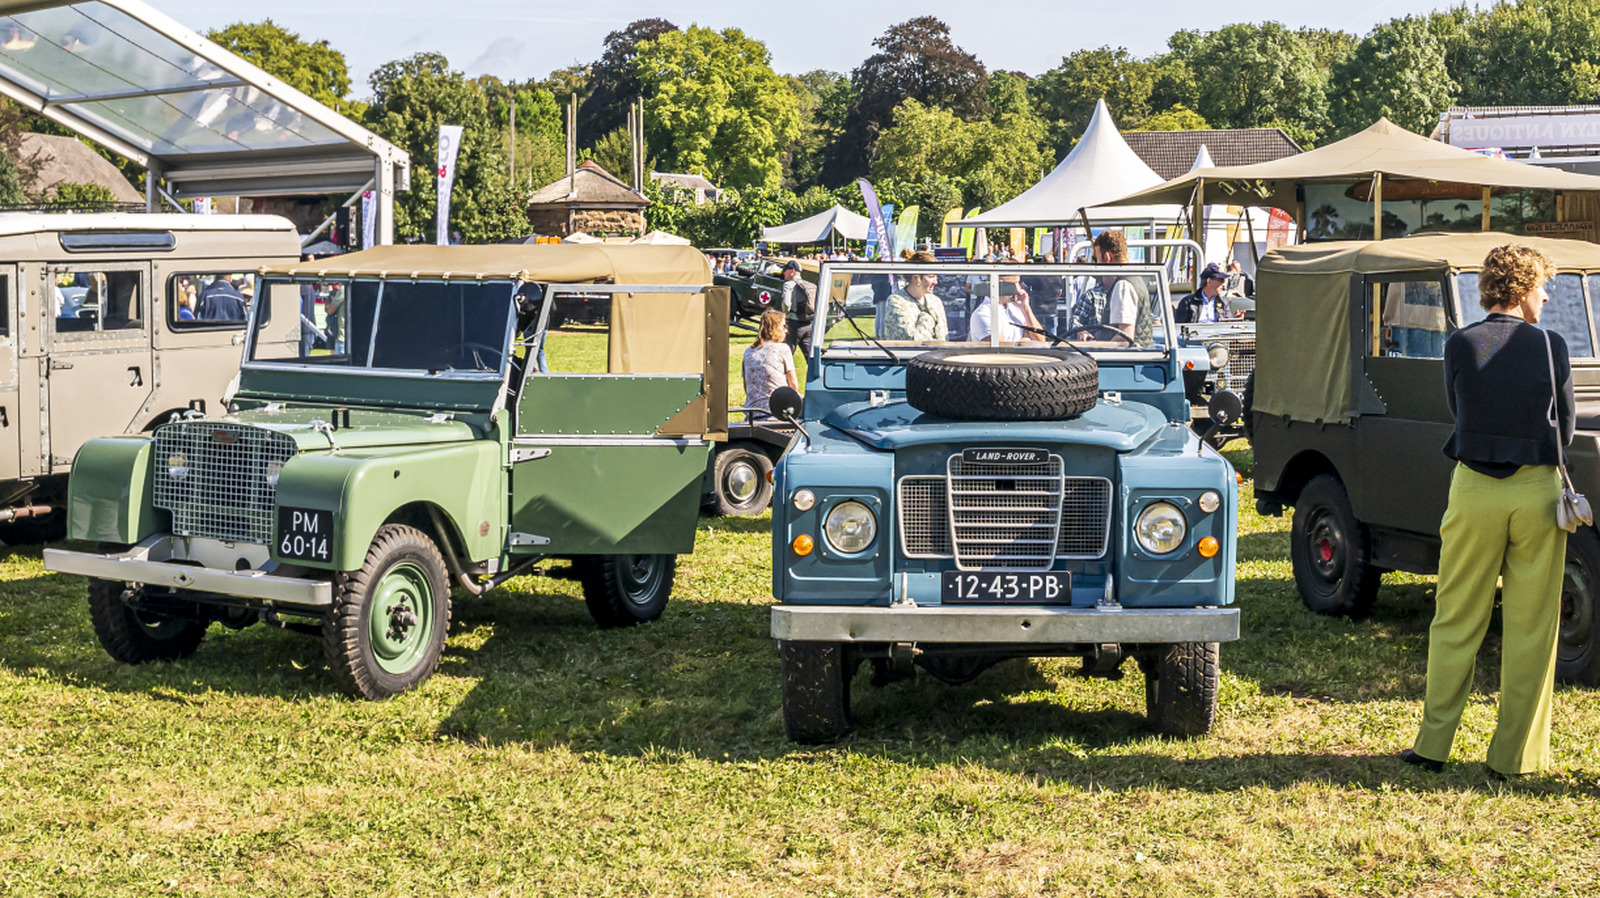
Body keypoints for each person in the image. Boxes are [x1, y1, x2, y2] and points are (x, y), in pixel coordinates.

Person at [1405, 244, 1573, 779]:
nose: (1546, 296)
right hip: (1537, 493)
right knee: (1531, 626)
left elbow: (1459, 410)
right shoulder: (1551, 345)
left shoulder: (1460, 343)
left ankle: (1433, 747)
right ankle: (1514, 758)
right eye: (1542, 286)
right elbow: (1564, 430)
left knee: (1455, 616)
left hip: (1474, 487)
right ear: (1522, 289)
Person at [1093, 230, 1153, 344]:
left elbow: (1124, 338)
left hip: (1129, 360)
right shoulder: (1135, 279)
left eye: (1098, 259)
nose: (1097, 264)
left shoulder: (1123, 286)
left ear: (1107, 257)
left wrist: (1092, 346)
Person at [880, 250, 948, 341]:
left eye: (936, 276)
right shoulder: (896, 301)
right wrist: (927, 317)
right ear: (916, 278)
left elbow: (944, 337)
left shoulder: (935, 301)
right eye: (931, 276)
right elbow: (909, 340)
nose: (936, 282)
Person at [742, 310, 798, 417]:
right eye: (783, 326)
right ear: (774, 328)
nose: (786, 330)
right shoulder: (783, 349)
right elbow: (793, 386)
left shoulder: (748, 351)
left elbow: (747, 386)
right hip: (777, 411)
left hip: (752, 412)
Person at [969, 274, 1047, 343]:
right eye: (1015, 283)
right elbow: (1001, 351)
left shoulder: (1016, 309)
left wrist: (1025, 308)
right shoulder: (984, 314)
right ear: (1000, 284)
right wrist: (1026, 339)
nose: (1019, 288)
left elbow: (1040, 340)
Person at [780, 260, 817, 354]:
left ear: (792, 271)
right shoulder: (810, 285)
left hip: (793, 324)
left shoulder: (788, 285)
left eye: (785, 269)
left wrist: (784, 315)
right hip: (809, 324)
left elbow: (786, 304)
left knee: (786, 353)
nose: (783, 272)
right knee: (810, 356)